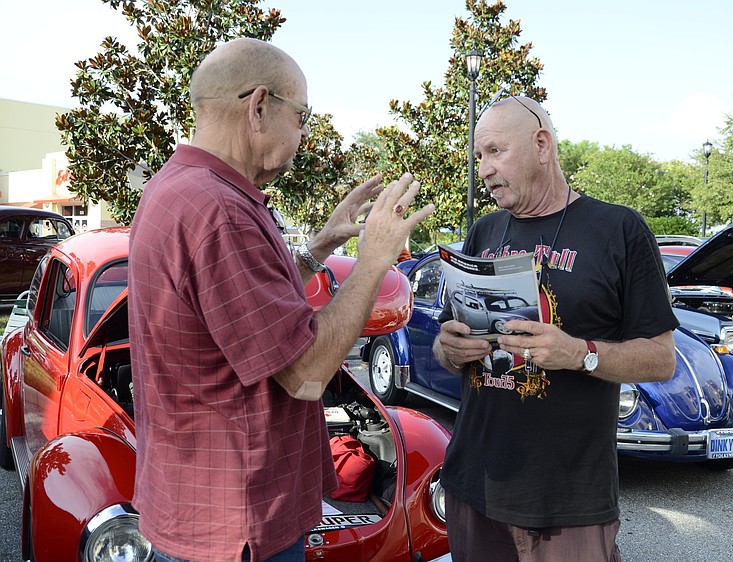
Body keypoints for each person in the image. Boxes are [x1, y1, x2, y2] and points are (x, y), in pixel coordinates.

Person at [127, 38, 433, 562]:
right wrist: (375, 259)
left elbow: (238, 313)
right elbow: (307, 373)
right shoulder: (220, 209)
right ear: (259, 106)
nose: (305, 132)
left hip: (200, 513)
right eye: (302, 116)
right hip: (239, 525)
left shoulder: (181, 189)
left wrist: (317, 250)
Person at [432, 94, 679, 562]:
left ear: (542, 144)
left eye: (495, 151)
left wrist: (579, 354)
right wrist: (450, 348)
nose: (483, 169)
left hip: (570, 501)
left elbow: (661, 358)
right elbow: (449, 350)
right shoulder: (485, 230)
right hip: (475, 484)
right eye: (478, 156)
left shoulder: (619, 229)